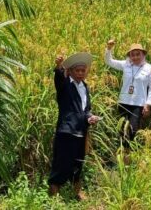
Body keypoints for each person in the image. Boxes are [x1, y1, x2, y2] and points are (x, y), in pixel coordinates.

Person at [48, 52, 101, 200]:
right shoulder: (65, 85)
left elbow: (86, 109)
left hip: (81, 130)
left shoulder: (85, 87)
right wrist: (59, 66)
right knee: (62, 161)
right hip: (67, 130)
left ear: (86, 72)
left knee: (78, 162)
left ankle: (76, 192)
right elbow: (58, 79)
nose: (80, 73)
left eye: (83, 71)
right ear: (70, 71)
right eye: (77, 70)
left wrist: (90, 117)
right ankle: (54, 193)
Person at [104, 39, 151, 154]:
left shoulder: (149, 68)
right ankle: (121, 153)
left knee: (132, 129)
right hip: (123, 102)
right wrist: (109, 48)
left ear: (143, 54)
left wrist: (148, 104)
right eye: (133, 55)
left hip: (138, 104)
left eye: (138, 54)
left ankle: (130, 153)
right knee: (122, 129)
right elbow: (109, 61)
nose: (135, 57)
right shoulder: (126, 65)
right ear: (130, 56)